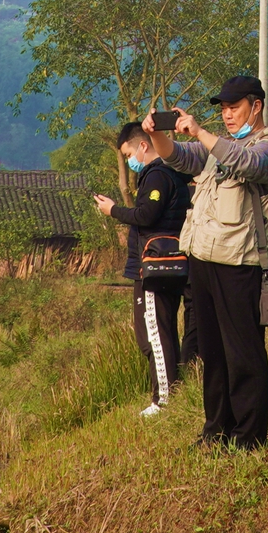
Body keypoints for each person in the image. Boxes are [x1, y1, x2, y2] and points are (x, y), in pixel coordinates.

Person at [144, 74, 268, 450]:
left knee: (243, 353)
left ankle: (249, 437)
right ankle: (216, 431)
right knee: (214, 353)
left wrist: (200, 131)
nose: (228, 115)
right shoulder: (216, 148)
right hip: (204, 260)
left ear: (256, 106)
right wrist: (159, 134)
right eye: (223, 109)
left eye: (234, 108)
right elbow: (178, 157)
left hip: (241, 264)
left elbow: (246, 163)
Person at [94, 122, 193, 416]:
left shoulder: (158, 175)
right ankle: (173, 391)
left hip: (155, 269)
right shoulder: (168, 172)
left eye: (128, 155)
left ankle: (163, 399)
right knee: (163, 330)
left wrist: (113, 210)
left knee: (153, 334)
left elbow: (146, 215)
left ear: (143, 145)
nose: (129, 162)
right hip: (167, 266)